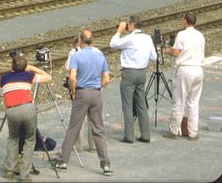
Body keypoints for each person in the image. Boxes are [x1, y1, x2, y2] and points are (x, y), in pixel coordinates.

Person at [54, 29, 112, 177]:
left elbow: (72, 78)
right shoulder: (100, 56)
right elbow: (106, 79)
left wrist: (73, 92)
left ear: (80, 41)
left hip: (81, 93)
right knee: (98, 129)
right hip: (96, 93)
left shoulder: (77, 55)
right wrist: (97, 86)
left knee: (74, 127)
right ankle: (105, 164)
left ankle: (63, 161)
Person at [0, 53, 51, 182]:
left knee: (13, 138)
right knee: (29, 140)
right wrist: (33, 68)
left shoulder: (4, 78)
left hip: (11, 110)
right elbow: (48, 77)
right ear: (25, 67)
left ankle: (10, 170)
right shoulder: (28, 76)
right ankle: (24, 174)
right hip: (27, 108)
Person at [109, 15, 157, 143]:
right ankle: (145, 134)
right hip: (142, 73)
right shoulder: (147, 38)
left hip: (129, 73)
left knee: (128, 105)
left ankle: (129, 136)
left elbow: (113, 44)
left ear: (131, 24)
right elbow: (154, 57)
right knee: (141, 104)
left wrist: (119, 30)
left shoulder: (130, 38)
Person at [163, 11, 206, 140]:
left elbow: (176, 53)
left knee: (179, 101)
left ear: (185, 21)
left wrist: (168, 50)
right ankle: (193, 132)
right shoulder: (200, 35)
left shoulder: (182, 34)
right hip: (198, 69)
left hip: (185, 69)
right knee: (193, 102)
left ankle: (174, 130)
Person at [65, 36, 94, 152]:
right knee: (93, 119)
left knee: (78, 118)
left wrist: (72, 91)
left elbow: (68, 69)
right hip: (94, 89)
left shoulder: (74, 53)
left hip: (80, 88)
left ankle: (79, 145)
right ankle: (93, 146)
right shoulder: (96, 51)